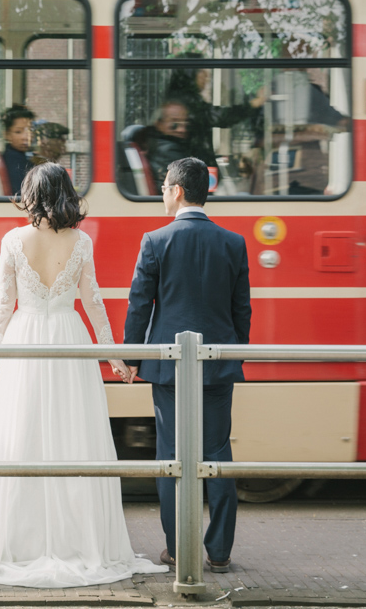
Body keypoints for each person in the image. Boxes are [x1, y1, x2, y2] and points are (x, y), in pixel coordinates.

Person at [0, 163, 169, 587]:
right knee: (75, 433)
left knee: (22, 435)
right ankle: (79, 541)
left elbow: (3, 303)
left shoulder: (13, 240)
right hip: (70, 337)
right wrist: (114, 356)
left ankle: (20, 542)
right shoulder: (81, 241)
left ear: (32, 195)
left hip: (24, 340)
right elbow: (94, 303)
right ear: (66, 193)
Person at [123, 157, 251, 574]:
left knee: (171, 456)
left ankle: (179, 549)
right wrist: (234, 353)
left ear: (177, 191)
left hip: (169, 366)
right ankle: (219, 552)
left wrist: (130, 358)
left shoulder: (155, 240)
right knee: (218, 454)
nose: (162, 192)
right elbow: (241, 310)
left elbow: (139, 306)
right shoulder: (233, 242)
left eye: (163, 186)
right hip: (218, 364)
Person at [144, 100, 192, 190]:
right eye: (174, 124)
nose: (182, 129)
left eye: (185, 124)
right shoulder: (169, 150)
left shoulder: (154, 144)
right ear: (159, 124)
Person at [0, 105, 35, 195]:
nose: (26, 137)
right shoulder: (14, 160)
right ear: (7, 134)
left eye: (29, 130)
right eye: (18, 132)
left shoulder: (23, 156)